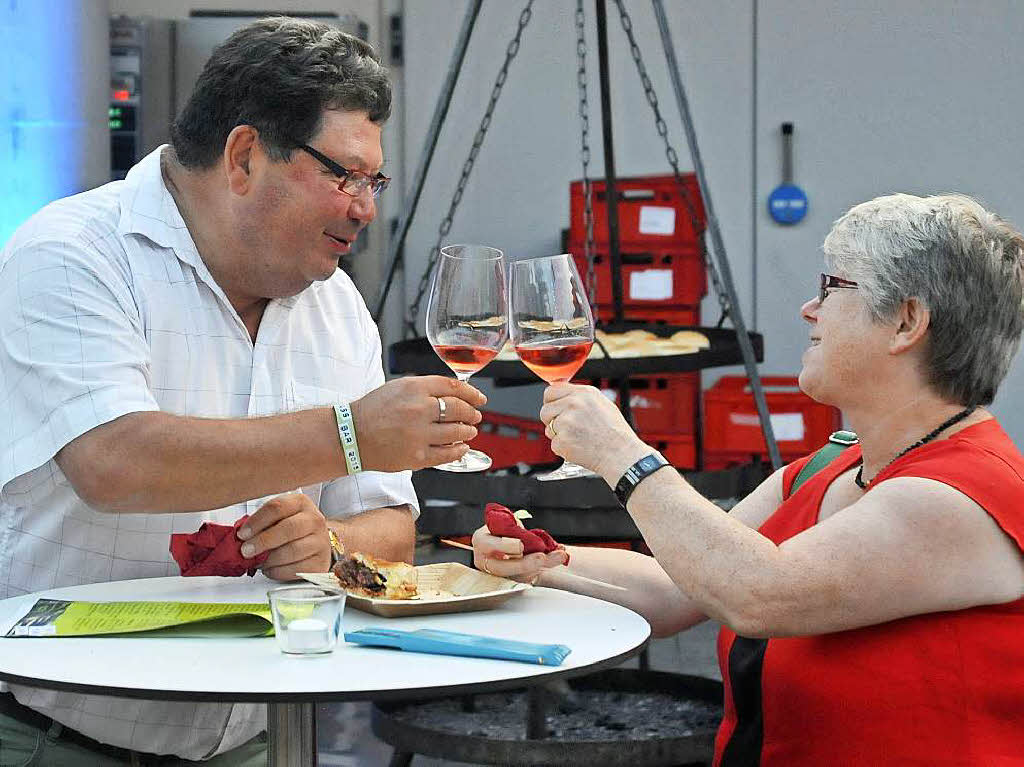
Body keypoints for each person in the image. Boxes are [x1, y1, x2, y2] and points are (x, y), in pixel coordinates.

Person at [0, 17, 485, 766]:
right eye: (343, 175)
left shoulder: (335, 302)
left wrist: (326, 545)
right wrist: (350, 432)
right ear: (244, 156)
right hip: (59, 739)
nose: (366, 207)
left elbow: (389, 528)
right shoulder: (71, 253)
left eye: (374, 180)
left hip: (263, 740)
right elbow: (112, 462)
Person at [472, 193, 1024, 765]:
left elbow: (760, 593)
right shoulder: (827, 468)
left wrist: (623, 456)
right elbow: (677, 585)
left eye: (833, 287)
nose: (810, 309)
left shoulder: (962, 493)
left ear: (906, 322)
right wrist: (544, 561)